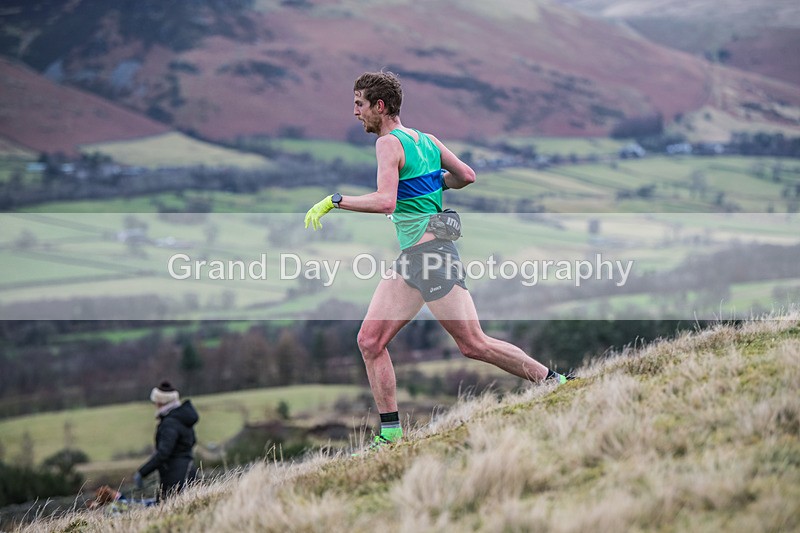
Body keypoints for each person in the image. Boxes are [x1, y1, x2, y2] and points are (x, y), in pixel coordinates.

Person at [304, 71, 571, 450]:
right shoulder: (426, 140)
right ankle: (390, 435)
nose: (355, 112)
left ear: (379, 106)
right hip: (415, 257)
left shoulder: (387, 144)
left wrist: (335, 201)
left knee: (473, 343)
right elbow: (466, 176)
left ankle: (555, 382)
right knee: (370, 341)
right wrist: (432, 184)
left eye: (359, 104)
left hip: (432, 257)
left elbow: (385, 201)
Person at [134, 381, 199, 499]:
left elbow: (163, 453)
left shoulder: (169, 423)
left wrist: (142, 472)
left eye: (155, 402)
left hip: (175, 478)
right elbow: (193, 440)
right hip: (188, 471)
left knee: (165, 505)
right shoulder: (182, 418)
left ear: (161, 402)